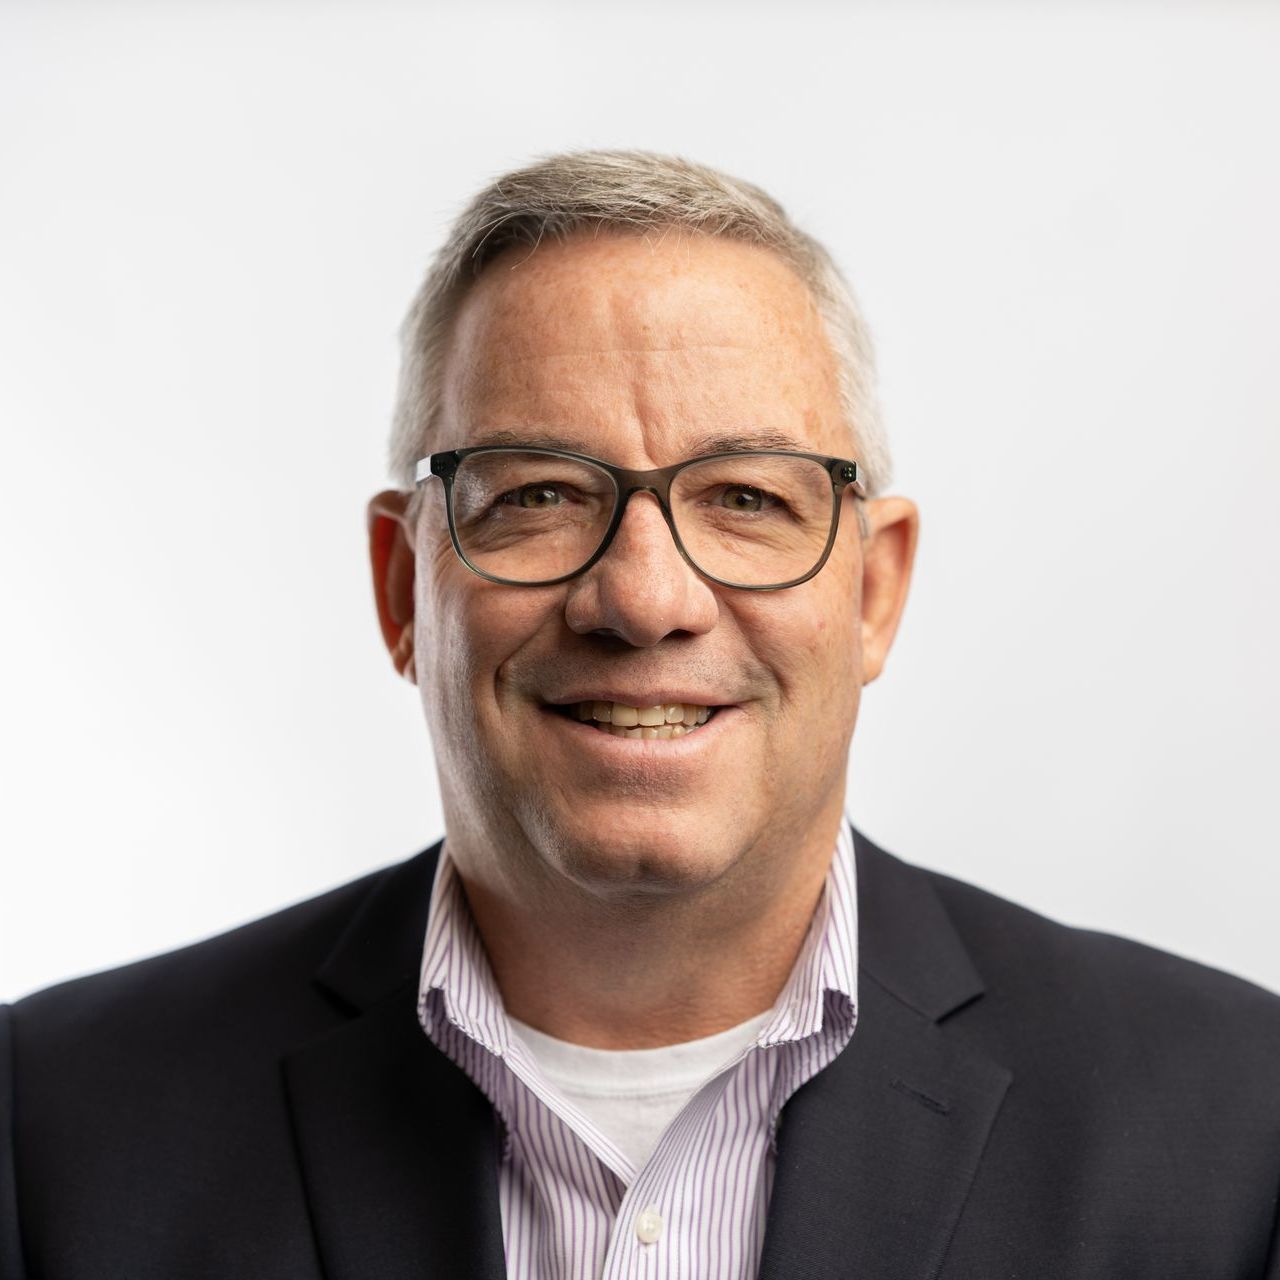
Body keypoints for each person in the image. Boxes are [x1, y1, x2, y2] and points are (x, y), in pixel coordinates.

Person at [2, 149, 1277, 1280]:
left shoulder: (1237, 1123)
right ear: (402, 586)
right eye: (539, 494)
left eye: (746, 497)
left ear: (875, 589)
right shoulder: (49, 1126)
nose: (644, 597)